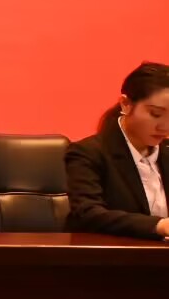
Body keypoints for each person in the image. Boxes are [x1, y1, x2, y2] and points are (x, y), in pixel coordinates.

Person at [65, 62, 169, 241]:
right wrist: (159, 225)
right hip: (109, 254)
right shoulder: (87, 153)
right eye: (155, 114)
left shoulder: (166, 151)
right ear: (126, 104)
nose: (165, 127)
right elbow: (88, 214)